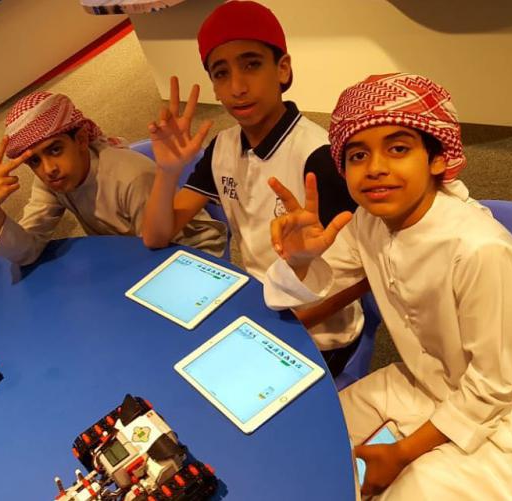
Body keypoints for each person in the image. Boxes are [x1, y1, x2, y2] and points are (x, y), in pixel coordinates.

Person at [264, 73, 512, 499]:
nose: (376, 169)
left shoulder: (479, 250)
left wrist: (403, 453)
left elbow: (497, 384)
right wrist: (299, 261)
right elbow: (313, 286)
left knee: (414, 488)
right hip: (418, 380)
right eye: (357, 156)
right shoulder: (370, 222)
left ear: (437, 158)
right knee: (313, 432)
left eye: (399, 148)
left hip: (506, 412)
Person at [141, 0, 361, 375]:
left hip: (317, 331)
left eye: (252, 64)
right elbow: (156, 236)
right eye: (221, 73)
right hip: (258, 304)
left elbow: (359, 275)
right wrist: (167, 171)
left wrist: (281, 329)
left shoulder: (318, 156)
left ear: (283, 69)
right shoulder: (224, 146)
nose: (237, 87)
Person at [0, 91, 226, 265]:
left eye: (55, 149)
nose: (48, 168)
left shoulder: (131, 177)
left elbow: (159, 245)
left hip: (190, 253)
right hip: (132, 253)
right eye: (34, 161)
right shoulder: (52, 180)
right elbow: (27, 251)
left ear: (82, 139)